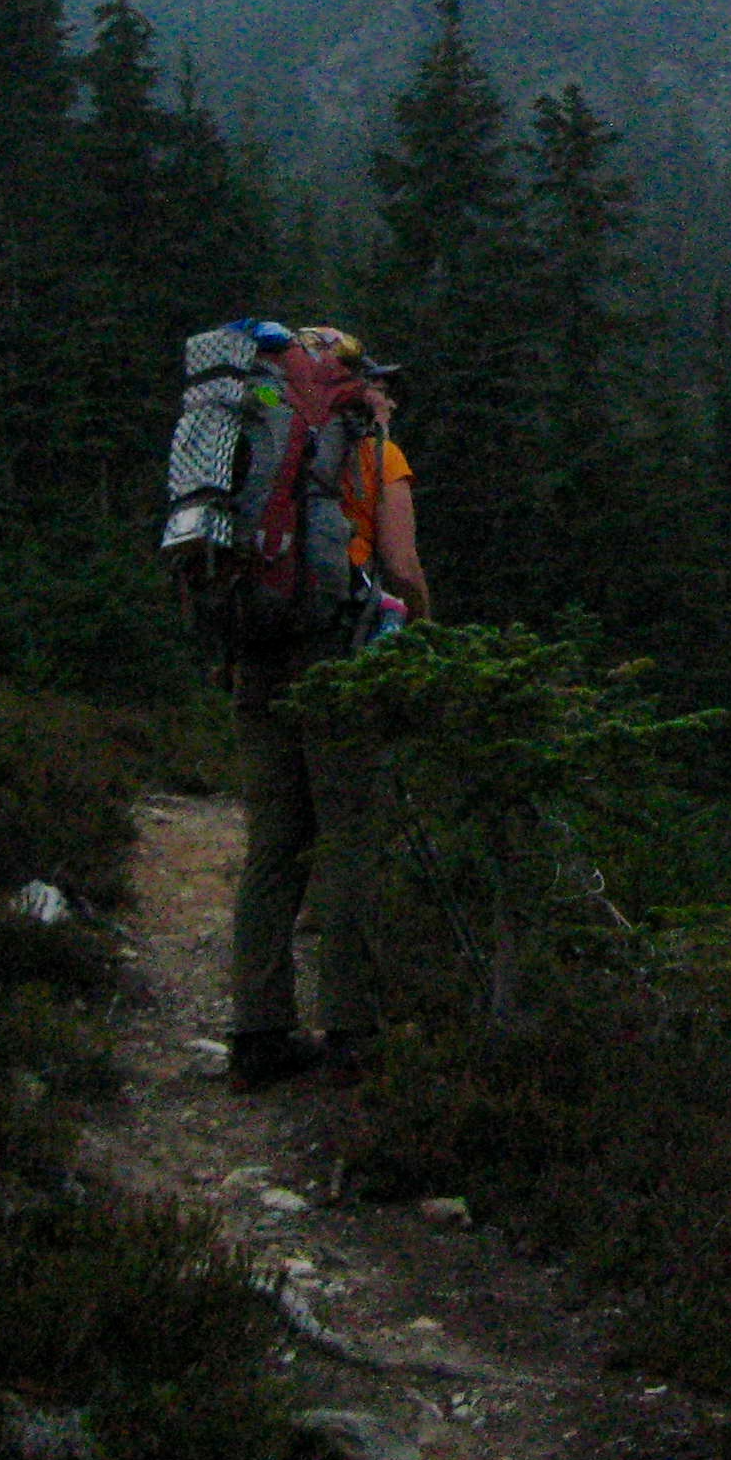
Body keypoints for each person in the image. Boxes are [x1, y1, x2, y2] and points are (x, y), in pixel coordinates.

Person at [226, 330, 432, 1092]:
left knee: (273, 845)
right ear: (355, 386)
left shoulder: (253, 444)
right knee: (349, 839)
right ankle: (349, 1032)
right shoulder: (378, 455)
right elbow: (403, 566)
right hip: (339, 652)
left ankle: (256, 1034)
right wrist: (425, 633)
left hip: (257, 648)